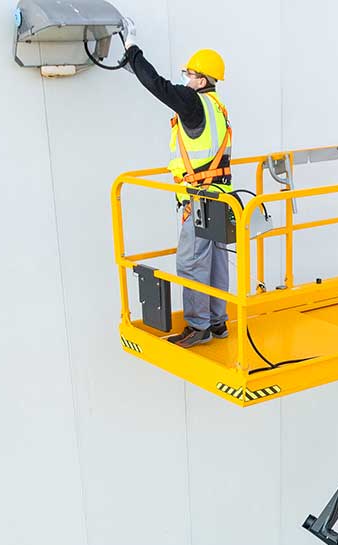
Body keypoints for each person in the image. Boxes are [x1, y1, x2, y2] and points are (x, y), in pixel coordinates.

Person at [121, 44, 231, 348]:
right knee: (216, 261)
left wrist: (134, 54)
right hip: (220, 196)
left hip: (200, 200)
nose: (185, 79)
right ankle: (217, 321)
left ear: (202, 79)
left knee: (191, 262)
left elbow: (159, 86)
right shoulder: (217, 107)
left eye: (189, 74)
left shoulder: (194, 103)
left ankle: (198, 326)